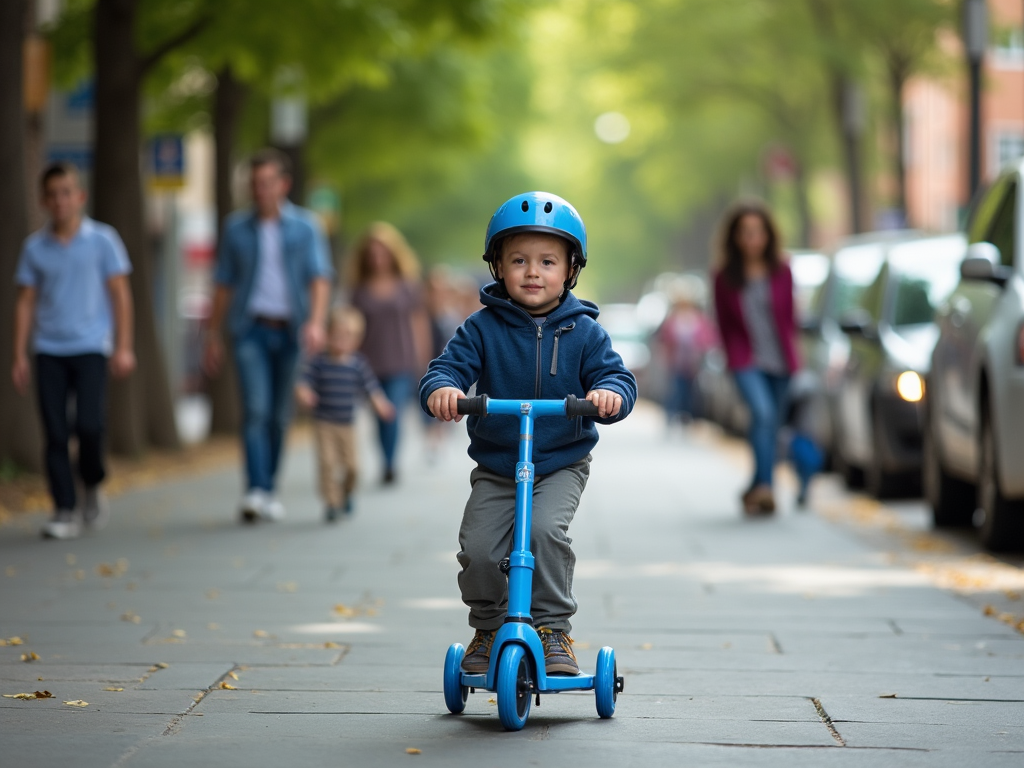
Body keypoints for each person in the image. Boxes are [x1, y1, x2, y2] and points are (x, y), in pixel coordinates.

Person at [420, 191, 636, 677]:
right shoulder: (480, 328)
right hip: (499, 466)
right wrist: (443, 389)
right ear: (497, 266)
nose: (532, 272)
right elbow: (446, 369)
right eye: (518, 260)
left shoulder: (585, 331)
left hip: (560, 463)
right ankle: (489, 626)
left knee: (543, 532)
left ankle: (553, 628)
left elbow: (617, 377)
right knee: (478, 548)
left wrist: (608, 395)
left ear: (571, 270)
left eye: (547, 261)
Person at [203, 148, 333, 523]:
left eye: (267, 183)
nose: (259, 190)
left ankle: (270, 487)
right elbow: (223, 283)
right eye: (254, 183)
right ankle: (255, 489)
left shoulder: (306, 227)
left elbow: (319, 277)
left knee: (279, 415)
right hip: (250, 330)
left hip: (291, 331)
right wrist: (212, 334)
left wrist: (316, 322)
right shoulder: (235, 229)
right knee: (256, 409)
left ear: (283, 184)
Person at [11, 162, 136, 540]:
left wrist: (124, 346)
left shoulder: (103, 240)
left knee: (90, 425)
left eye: (67, 192)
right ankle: (64, 508)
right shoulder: (34, 247)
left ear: (79, 196)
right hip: (48, 348)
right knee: (54, 432)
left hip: (91, 347)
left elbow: (120, 294)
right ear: (43, 200)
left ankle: (92, 481)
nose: (60, 201)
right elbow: (25, 303)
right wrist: (18, 354)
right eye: (52, 194)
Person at [712, 201, 799, 516]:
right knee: (762, 415)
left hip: (780, 360)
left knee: (770, 426)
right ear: (735, 237)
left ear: (768, 235)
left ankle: (755, 486)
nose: (752, 239)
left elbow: (790, 318)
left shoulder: (782, 270)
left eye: (758, 232)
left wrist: (794, 358)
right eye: (745, 233)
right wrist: (730, 360)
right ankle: (766, 489)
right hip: (745, 360)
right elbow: (723, 322)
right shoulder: (723, 276)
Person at [295, 307, 395, 522]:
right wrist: (305, 394)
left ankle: (346, 492)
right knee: (328, 464)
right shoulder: (319, 363)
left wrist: (382, 405)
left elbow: (372, 390)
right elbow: (303, 383)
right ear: (328, 335)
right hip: (324, 424)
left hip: (348, 425)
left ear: (357, 340)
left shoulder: (358, 365)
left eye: (348, 336)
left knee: (352, 467)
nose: (341, 340)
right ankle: (331, 502)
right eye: (336, 334)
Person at [348, 223, 430, 485]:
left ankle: (390, 463)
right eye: (372, 253)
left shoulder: (407, 286)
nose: (377, 257)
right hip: (369, 362)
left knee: (393, 411)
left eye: (382, 251)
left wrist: (425, 358)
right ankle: (385, 458)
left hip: (400, 361)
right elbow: (352, 327)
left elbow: (419, 323)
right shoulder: (359, 291)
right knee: (378, 415)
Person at [656, 275, 716, 427]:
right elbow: (665, 339)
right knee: (675, 390)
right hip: (676, 362)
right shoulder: (672, 319)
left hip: (694, 363)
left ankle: (688, 418)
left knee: (691, 392)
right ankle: (670, 417)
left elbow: (708, 339)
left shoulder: (699, 319)